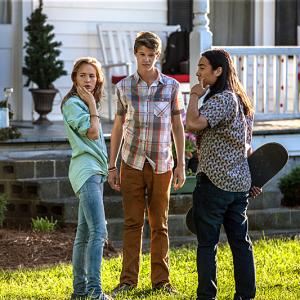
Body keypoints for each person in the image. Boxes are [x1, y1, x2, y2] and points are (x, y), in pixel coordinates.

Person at [108, 31, 186, 295]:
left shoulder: (172, 87)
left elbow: (177, 126)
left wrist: (181, 164)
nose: (146, 59)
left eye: (151, 55)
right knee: (132, 223)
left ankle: (161, 282)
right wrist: (113, 165)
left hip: (162, 164)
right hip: (131, 162)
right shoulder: (123, 88)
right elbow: (118, 127)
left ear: (158, 56)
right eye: (142, 54)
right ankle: (128, 280)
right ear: (135, 54)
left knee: (159, 224)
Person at [186, 49, 262, 300]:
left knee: (207, 245)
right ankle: (245, 295)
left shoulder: (222, 100)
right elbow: (246, 145)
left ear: (218, 71)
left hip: (215, 184)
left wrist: (194, 96)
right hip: (239, 184)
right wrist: (251, 179)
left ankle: (206, 297)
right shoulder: (241, 100)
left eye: (202, 67)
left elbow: (193, 124)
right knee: (241, 243)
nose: (198, 72)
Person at [61, 57, 112, 300]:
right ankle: (95, 292)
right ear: (74, 78)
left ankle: (80, 292)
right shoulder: (74, 104)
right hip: (86, 171)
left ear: (98, 79)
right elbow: (92, 133)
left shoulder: (84, 103)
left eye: (92, 76)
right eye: (83, 75)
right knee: (99, 232)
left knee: (83, 234)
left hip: (95, 172)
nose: (88, 80)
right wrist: (92, 106)